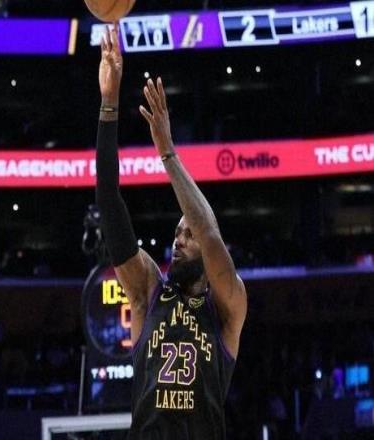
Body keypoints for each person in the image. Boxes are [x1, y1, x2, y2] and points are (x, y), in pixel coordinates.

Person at [95, 24, 247, 440]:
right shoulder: (148, 290)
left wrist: (167, 152)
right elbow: (108, 200)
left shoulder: (228, 305)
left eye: (187, 234)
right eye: (177, 232)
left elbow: (208, 233)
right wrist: (109, 104)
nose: (178, 239)